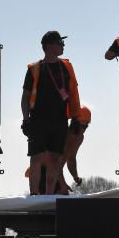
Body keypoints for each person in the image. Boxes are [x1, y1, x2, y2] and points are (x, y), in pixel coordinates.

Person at [21, 31, 82, 195]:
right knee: (36, 158)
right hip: (38, 120)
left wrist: (75, 118)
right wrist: (26, 120)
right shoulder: (34, 69)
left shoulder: (66, 67)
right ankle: (34, 195)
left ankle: (49, 196)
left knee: (55, 159)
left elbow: (73, 94)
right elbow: (25, 98)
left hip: (59, 121)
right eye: (59, 43)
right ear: (48, 46)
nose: (63, 46)